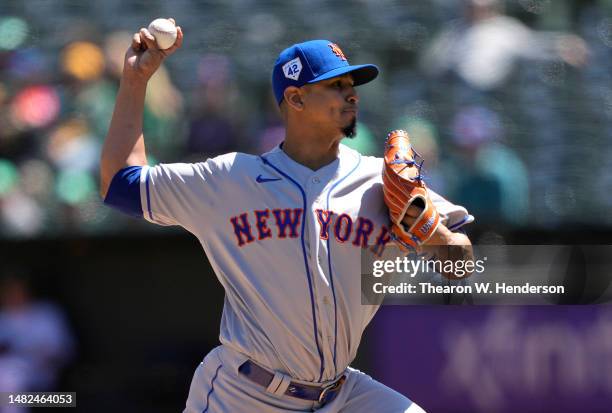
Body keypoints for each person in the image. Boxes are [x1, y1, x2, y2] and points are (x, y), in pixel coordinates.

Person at [100, 19, 474, 412]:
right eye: (336, 86)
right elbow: (120, 184)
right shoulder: (230, 180)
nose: (352, 96)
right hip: (242, 396)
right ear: (295, 99)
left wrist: (439, 238)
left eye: (352, 86)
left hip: (341, 395)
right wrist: (135, 80)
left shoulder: (379, 180)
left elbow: (463, 263)